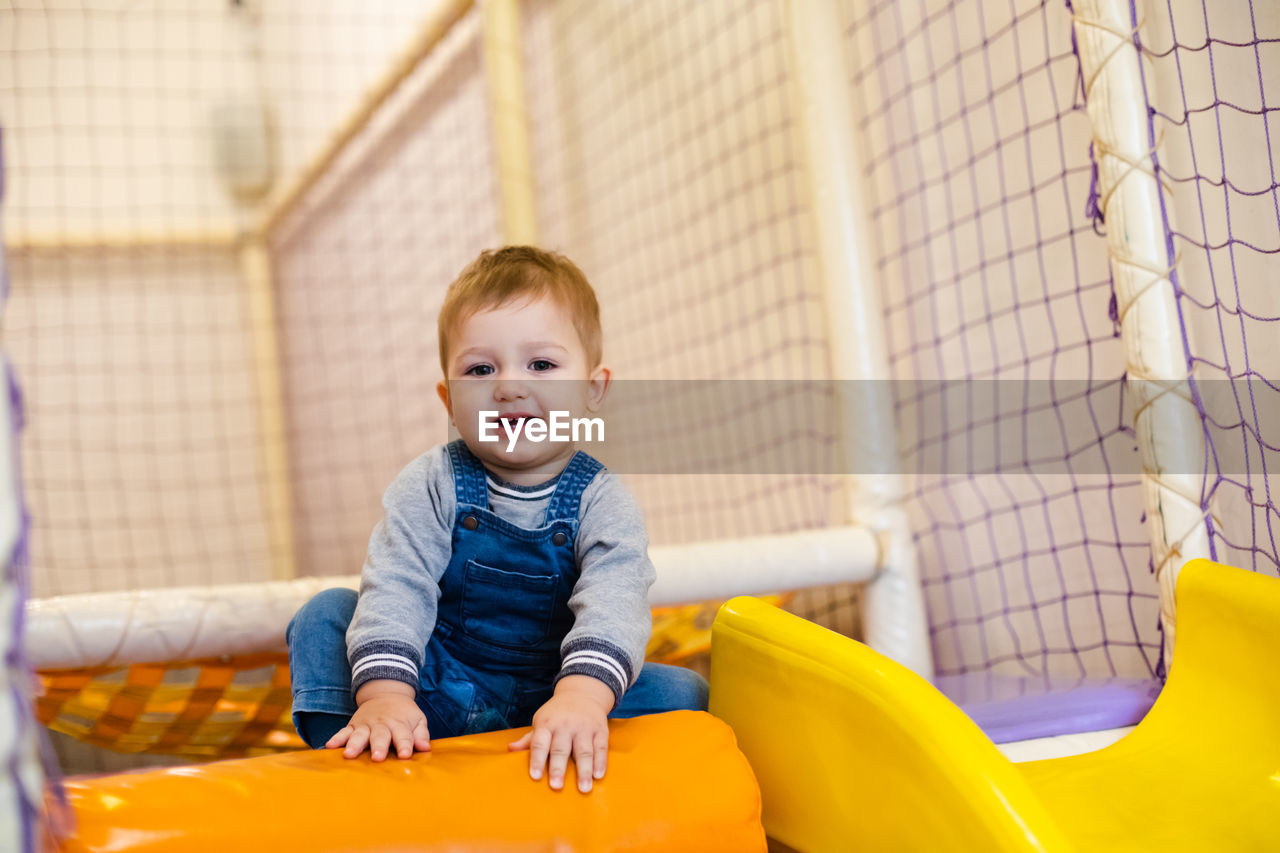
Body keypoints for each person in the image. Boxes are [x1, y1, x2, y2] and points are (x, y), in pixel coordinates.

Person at [286, 246, 708, 794]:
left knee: (682, 693)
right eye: (481, 369)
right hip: (434, 691)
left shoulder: (602, 499)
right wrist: (386, 695)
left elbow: (615, 602)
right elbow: (398, 585)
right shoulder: (431, 482)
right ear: (449, 400)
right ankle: (354, 755)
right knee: (326, 615)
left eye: (541, 364)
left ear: (592, 389)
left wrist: (581, 696)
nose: (509, 386)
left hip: (552, 697)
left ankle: (567, 752)